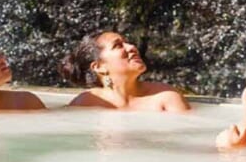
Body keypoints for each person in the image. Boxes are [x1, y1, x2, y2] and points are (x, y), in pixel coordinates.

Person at [59, 30, 190, 111]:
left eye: (127, 42)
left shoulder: (166, 97)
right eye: (118, 45)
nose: (132, 47)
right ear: (99, 67)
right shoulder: (86, 102)